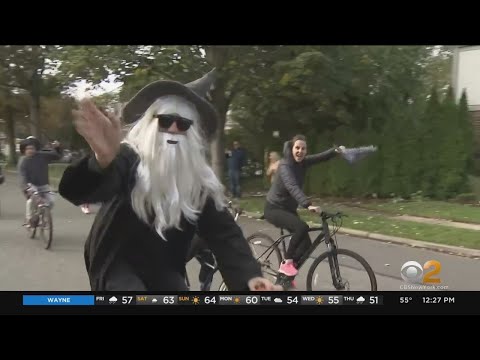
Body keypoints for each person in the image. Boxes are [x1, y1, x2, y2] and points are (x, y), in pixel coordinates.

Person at [58, 69, 281, 292]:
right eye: (165, 121)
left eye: (183, 124)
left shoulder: (196, 178)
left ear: (192, 132)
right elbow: (77, 192)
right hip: (117, 260)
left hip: (163, 265)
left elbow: (223, 233)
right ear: (151, 124)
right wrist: (102, 161)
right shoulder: (128, 156)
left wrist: (250, 278)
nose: (174, 129)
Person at [263, 134, 344, 278]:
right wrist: (308, 204)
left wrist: (334, 151)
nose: (300, 151)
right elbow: (292, 186)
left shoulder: (302, 162)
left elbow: (320, 157)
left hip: (288, 209)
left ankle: (285, 278)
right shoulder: (285, 165)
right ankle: (286, 264)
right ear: (291, 148)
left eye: (303, 149)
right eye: (297, 148)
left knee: (305, 245)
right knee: (301, 227)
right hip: (274, 208)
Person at [18, 136, 62, 226]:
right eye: (28, 149)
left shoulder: (42, 155)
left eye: (32, 148)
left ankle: (44, 216)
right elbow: (23, 176)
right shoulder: (23, 161)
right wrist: (27, 188)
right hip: (30, 185)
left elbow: (57, 156)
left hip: (43, 184)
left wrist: (57, 147)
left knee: (51, 202)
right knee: (31, 201)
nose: (30, 150)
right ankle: (29, 219)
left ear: (36, 149)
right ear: (24, 150)